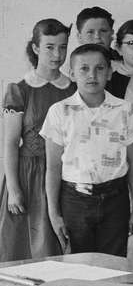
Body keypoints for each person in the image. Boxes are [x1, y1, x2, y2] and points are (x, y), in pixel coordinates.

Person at [41, 43, 133, 255]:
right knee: (79, 264)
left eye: (99, 68)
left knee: (113, 263)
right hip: (74, 200)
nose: (92, 75)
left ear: (110, 72)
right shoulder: (59, 111)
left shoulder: (124, 110)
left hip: (116, 199)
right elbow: (53, 168)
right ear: (72, 74)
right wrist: (54, 213)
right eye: (84, 69)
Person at [0, 19, 76, 260]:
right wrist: (13, 189)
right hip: (29, 175)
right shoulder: (20, 89)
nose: (57, 54)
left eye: (62, 47)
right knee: (24, 249)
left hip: (64, 174)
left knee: (60, 248)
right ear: (35, 48)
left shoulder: (73, 89)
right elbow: (11, 143)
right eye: (49, 47)